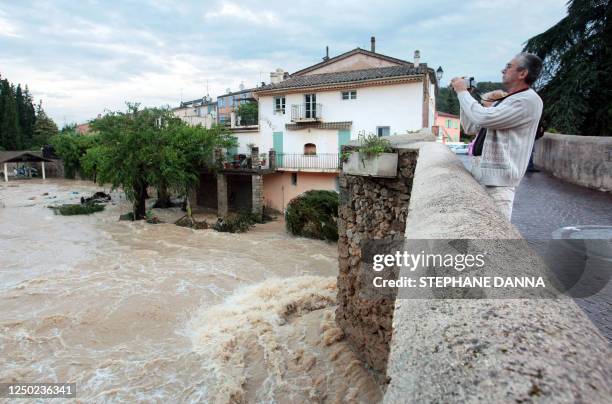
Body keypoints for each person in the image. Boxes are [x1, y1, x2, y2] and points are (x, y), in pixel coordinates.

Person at [451, 52, 543, 220]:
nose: (503, 70)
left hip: (499, 185)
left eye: (509, 66)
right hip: (482, 176)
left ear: (523, 73)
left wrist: (462, 92)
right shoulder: (508, 100)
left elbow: (483, 117)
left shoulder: (528, 100)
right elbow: (471, 126)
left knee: (493, 243)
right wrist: (465, 96)